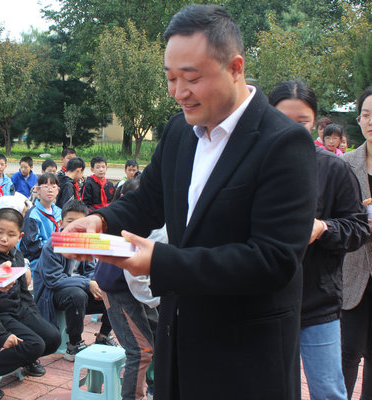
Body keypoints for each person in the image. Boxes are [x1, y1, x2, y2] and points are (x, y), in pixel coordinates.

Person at [64, 5, 317, 399]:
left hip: (245, 354)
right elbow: (149, 200)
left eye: (192, 78)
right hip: (179, 338)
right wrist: (101, 222)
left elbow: (273, 260)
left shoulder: (283, 143)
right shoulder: (180, 131)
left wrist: (160, 262)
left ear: (235, 68)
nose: (179, 92)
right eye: (170, 78)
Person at [270, 80, 370, 400]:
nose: (291, 129)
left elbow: (357, 228)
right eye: (282, 119)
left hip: (317, 304)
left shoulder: (333, 169)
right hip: (263, 303)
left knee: (328, 391)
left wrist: (324, 228)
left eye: (301, 122)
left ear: (315, 123)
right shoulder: (251, 167)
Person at [0, 208, 60, 400]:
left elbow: (24, 294)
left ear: (20, 236)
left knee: (52, 338)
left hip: (17, 310)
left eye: (11, 235)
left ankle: (25, 358)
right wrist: (1, 335)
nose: (3, 239)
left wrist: (36, 319)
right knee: (35, 344)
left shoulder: (16, 255)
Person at [94, 178, 159, 400]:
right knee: (141, 351)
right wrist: (158, 299)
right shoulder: (130, 225)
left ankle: (154, 386)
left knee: (160, 337)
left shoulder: (153, 219)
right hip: (119, 291)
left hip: (137, 288)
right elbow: (136, 278)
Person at [33, 199, 115, 362]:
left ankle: (104, 335)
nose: (76, 228)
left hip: (78, 292)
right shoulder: (52, 245)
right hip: (52, 295)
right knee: (77, 294)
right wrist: (87, 284)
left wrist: (98, 284)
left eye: (80, 223)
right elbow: (53, 280)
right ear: (61, 223)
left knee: (113, 291)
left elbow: (90, 270)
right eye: (70, 222)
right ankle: (74, 343)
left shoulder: (84, 243)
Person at [341, 87, 372, 399]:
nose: (371, 121)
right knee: (347, 355)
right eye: (366, 114)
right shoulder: (346, 164)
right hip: (352, 276)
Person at [20, 173, 61, 273]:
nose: (50, 190)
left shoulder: (60, 212)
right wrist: (55, 247)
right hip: (39, 260)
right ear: (38, 190)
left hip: (59, 256)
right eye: (46, 186)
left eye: (53, 187)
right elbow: (33, 244)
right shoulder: (33, 215)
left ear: (57, 191)